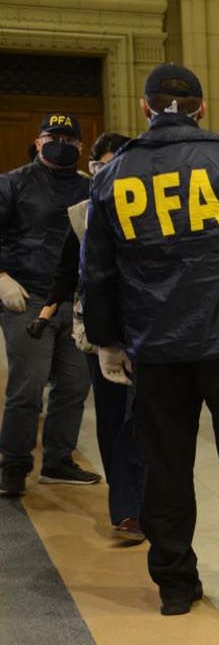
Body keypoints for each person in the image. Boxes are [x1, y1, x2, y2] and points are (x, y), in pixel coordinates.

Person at [81, 62, 219, 617]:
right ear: (202, 107)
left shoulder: (112, 174)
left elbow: (97, 270)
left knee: (165, 466)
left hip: (156, 348)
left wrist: (106, 339)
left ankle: (176, 584)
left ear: (145, 108)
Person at [26, 131, 143, 537]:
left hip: (149, 332)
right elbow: (65, 269)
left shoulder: (150, 210)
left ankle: (148, 500)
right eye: (101, 165)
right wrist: (47, 308)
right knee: (113, 420)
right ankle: (126, 508)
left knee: (142, 417)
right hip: (100, 333)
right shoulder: (82, 214)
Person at [0, 112, 99, 497]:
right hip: (27, 299)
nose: (62, 143)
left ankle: (58, 460)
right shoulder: (12, 184)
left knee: (74, 386)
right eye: (53, 136)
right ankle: (14, 464)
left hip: (75, 302)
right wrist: (2, 278)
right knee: (27, 388)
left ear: (79, 145)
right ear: (38, 141)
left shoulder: (89, 188)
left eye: (69, 139)